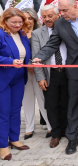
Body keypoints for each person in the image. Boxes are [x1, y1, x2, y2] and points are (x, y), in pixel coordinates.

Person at [32, 0, 78, 155]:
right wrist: (39, 56)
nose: (61, 13)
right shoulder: (60, 23)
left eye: (64, 10)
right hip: (73, 69)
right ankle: (72, 138)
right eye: (60, 10)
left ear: (76, 7)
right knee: (73, 104)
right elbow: (52, 44)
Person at [31, 5, 68, 148]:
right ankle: (55, 133)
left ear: (58, 15)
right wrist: (40, 78)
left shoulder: (67, 29)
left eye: (50, 15)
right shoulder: (37, 34)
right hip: (49, 74)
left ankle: (65, 130)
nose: (47, 19)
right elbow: (36, 57)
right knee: (51, 105)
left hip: (67, 73)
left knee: (66, 103)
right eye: (44, 16)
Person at [0, 8, 31, 160]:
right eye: (14, 22)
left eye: (20, 22)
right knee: (3, 113)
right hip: (3, 79)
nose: (18, 25)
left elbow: (25, 55)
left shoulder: (23, 35)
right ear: (5, 21)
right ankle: (2, 146)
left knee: (15, 110)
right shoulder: (1, 34)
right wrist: (10, 61)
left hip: (19, 78)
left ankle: (14, 139)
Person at [21, 8, 51, 140]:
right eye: (24, 18)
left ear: (35, 19)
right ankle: (29, 128)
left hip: (39, 72)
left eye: (30, 18)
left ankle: (51, 126)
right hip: (23, 72)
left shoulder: (39, 33)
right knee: (27, 100)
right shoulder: (17, 34)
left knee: (43, 99)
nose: (28, 21)